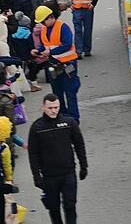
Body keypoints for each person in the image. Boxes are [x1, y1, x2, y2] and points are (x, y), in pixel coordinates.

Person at [29, 94, 87, 224]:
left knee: (70, 206)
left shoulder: (69, 123)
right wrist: (36, 176)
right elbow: (33, 154)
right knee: (53, 208)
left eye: (56, 107)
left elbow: (79, 144)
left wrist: (84, 166)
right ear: (43, 107)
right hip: (49, 176)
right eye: (50, 108)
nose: (54, 110)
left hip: (68, 173)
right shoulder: (37, 128)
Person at [34, 5, 81, 121]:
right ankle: (62, 116)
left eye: (44, 21)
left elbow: (67, 44)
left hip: (68, 64)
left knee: (70, 92)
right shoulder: (44, 30)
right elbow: (44, 44)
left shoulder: (63, 27)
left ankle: (74, 119)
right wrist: (38, 50)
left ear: (50, 17)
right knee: (57, 92)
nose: (43, 24)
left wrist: (50, 52)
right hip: (53, 65)